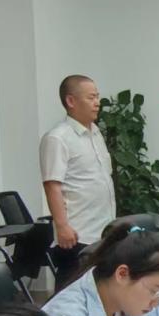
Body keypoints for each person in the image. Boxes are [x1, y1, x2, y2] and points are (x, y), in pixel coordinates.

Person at [40, 75, 117, 288]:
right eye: (91, 97)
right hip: (77, 233)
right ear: (71, 101)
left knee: (98, 289)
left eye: (97, 97)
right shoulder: (57, 138)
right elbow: (52, 185)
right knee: (70, 289)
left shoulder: (96, 133)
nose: (97, 103)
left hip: (102, 229)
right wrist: (62, 226)